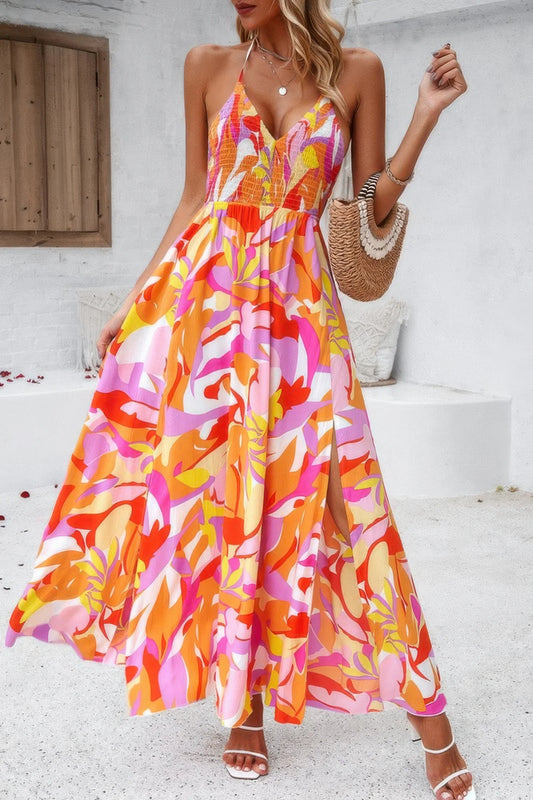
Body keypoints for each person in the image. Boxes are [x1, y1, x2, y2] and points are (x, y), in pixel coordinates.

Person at [6, 1, 473, 798]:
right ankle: (243, 706)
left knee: (351, 504)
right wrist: (133, 300)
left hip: (301, 324)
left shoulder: (358, 73)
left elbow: (363, 214)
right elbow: (195, 197)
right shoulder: (205, 65)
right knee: (224, 504)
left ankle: (431, 719)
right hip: (205, 315)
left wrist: (425, 120)